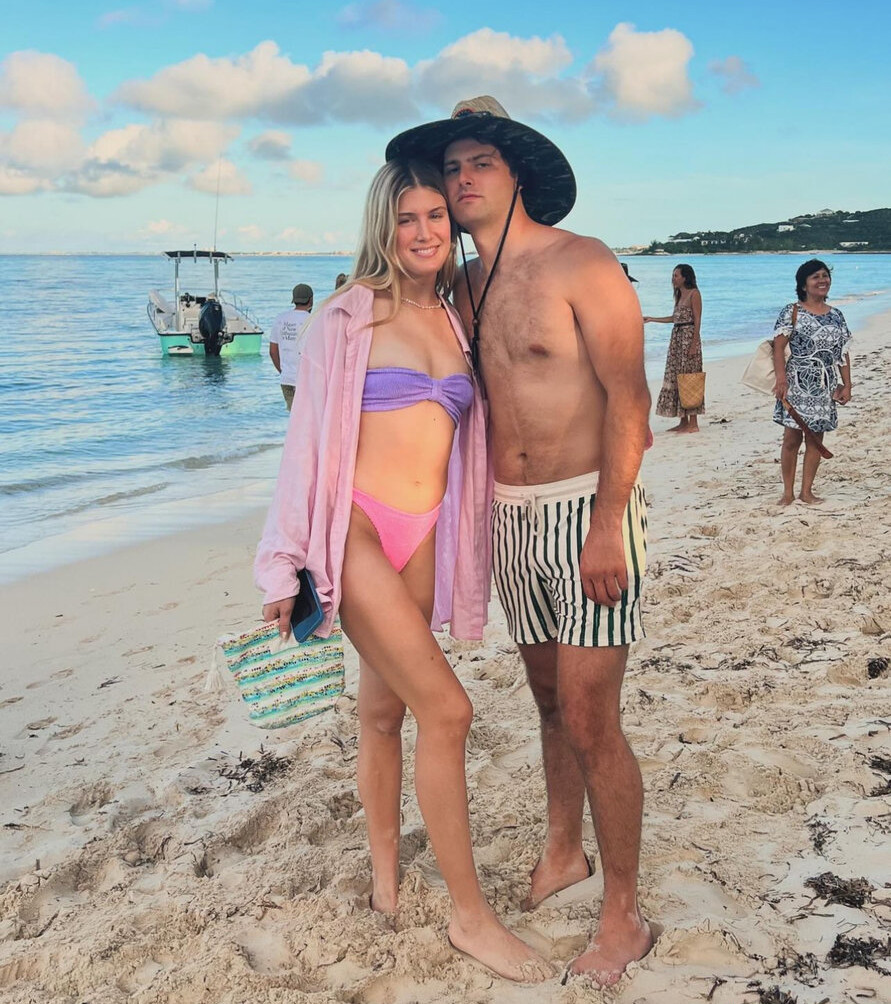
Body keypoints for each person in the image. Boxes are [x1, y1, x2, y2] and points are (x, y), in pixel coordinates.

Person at [254, 159, 552, 983]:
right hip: (353, 529)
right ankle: (469, 917)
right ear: (383, 227)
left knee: (383, 714)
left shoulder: (456, 318)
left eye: (434, 216)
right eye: (406, 218)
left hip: (422, 536)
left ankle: (385, 883)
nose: (422, 232)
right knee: (449, 711)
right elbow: (304, 443)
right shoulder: (348, 315)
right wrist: (281, 563)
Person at [387, 96, 652, 985]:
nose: (462, 179)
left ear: (516, 174)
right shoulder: (460, 289)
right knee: (545, 701)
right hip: (508, 515)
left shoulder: (582, 262)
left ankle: (623, 914)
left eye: (480, 163)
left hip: (587, 511)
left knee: (590, 715)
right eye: (452, 167)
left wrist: (609, 524)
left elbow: (629, 399)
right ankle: (563, 850)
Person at [772, 259, 852, 505]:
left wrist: (847, 384)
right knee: (792, 438)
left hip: (825, 384)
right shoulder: (792, 311)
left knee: (816, 438)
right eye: (815, 277)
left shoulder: (836, 315)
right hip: (797, 382)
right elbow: (778, 348)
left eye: (825, 276)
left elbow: (843, 352)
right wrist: (781, 379)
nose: (822, 280)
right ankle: (787, 493)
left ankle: (806, 492)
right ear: (803, 284)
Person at [644, 264, 704, 433]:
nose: (673, 279)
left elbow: (697, 320)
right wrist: (652, 319)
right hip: (677, 339)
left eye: (676, 276)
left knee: (690, 378)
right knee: (677, 377)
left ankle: (693, 423)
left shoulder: (694, 294)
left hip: (688, 338)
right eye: (673, 275)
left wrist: (694, 344)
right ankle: (683, 421)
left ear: (685, 277)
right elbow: (675, 318)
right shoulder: (678, 295)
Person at [269, 283, 313, 410]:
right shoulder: (313, 320)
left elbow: (272, 351)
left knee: (293, 416)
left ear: (294, 300)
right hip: (307, 380)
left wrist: (283, 371)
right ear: (311, 300)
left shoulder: (280, 319)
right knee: (308, 417)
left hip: (287, 379)